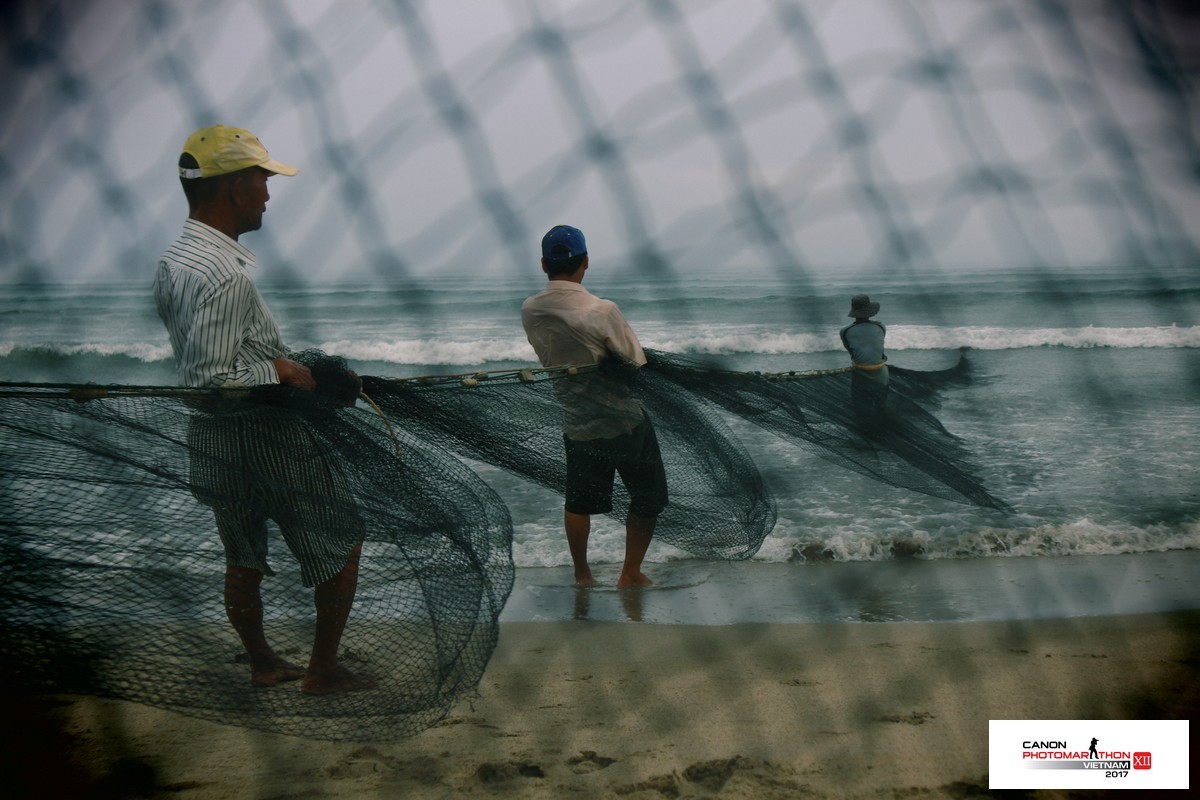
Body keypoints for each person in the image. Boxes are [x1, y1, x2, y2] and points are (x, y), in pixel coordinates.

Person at [153, 124, 373, 695]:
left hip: (211, 440)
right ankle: (322, 670)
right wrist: (276, 369)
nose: (269, 195)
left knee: (244, 554)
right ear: (233, 189)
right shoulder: (225, 276)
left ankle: (263, 662)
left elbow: (205, 357)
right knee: (342, 537)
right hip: (261, 435)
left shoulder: (175, 261)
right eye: (263, 180)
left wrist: (284, 364)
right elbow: (210, 376)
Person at [521, 225, 667, 589]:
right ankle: (629, 573)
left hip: (578, 422)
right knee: (647, 497)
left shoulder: (531, 310)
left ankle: (582, 575)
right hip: (625, 422)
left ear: (544, 265)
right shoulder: (602, 310)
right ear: (585, 260)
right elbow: (635, 362)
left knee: (578, 502)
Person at [839, 293, 889, 421]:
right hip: (881, 376)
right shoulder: (881, 327)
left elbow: (852, 353)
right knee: (880, 407)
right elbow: (880, 350)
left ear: (854, 310)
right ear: (869, 310)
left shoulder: (845, 331)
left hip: (861, 375)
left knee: (860, 409)